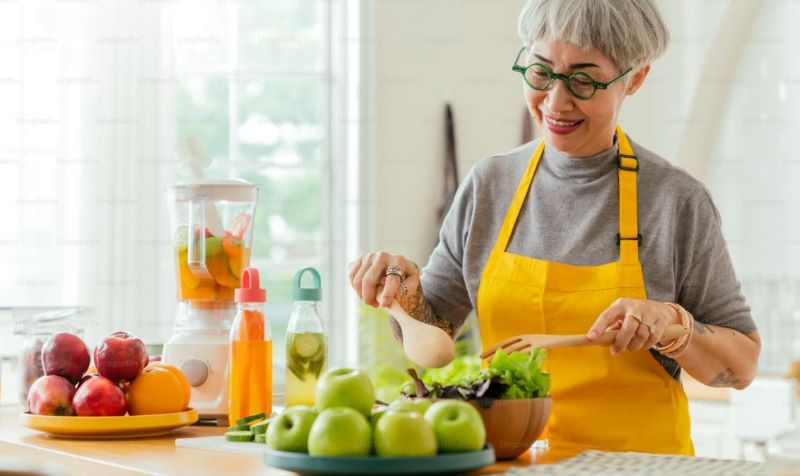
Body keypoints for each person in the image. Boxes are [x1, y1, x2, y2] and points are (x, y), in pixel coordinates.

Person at [348, 0, 760, 456]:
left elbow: (740, 368)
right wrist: (401, 296)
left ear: (636, 78)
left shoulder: (674, 201)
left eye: (584, 80)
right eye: (541, 73)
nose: (556, 103)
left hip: (642, 466)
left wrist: (673, 325)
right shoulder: (490, 186)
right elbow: (434, 335)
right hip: (513, 463)